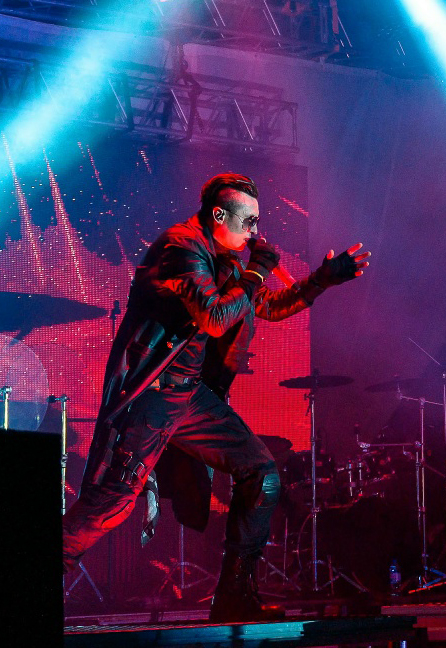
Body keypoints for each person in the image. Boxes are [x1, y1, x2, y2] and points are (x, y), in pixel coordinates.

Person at [63, 173, 370, 623]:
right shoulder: (182, 248)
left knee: (261, 473)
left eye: (258, 222)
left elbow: (267, 306)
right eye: (249, 222)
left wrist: (322, 279)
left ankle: (233, 597)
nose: (255, 232)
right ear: (219, 215)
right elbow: (213, 318)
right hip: (153, 394)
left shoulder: (224, 261)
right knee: (113, 501)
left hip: (189, 396)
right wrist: (256, 270)